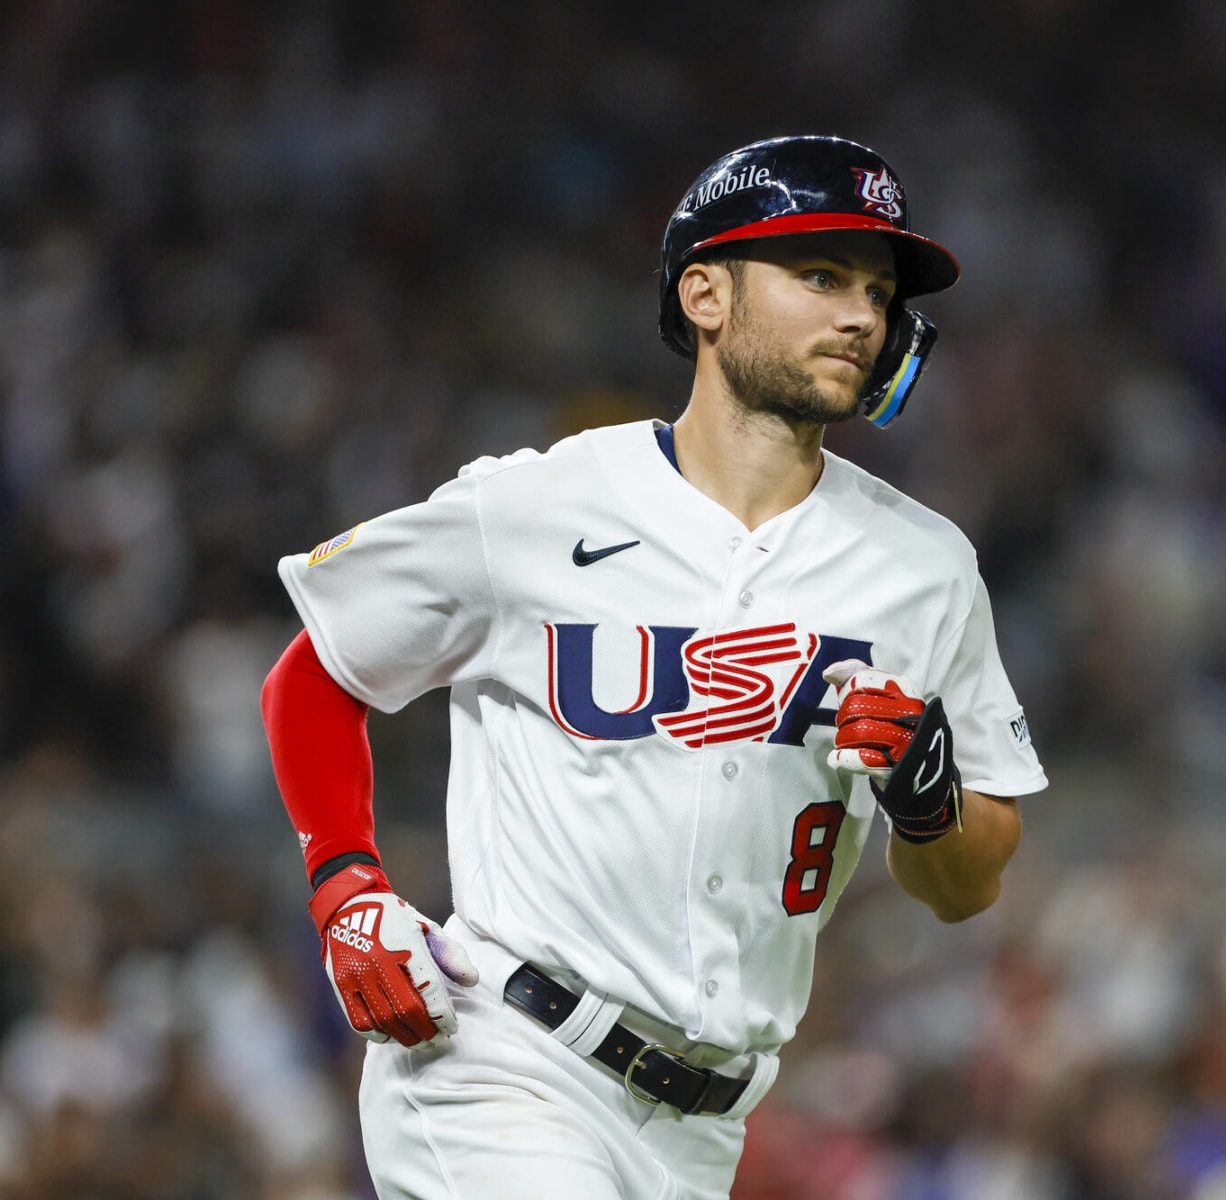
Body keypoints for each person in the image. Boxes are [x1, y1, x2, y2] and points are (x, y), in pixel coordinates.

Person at [260, 134, 1048, 1200]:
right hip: (502, 1062)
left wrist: (927, 798)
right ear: (705, 295)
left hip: (698, 1132)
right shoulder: (538, 506)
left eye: (876, 288)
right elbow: (317, 673)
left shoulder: (925, 570)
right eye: (818, 275)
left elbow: (966, 881)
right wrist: (343, 884)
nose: (860, 314)